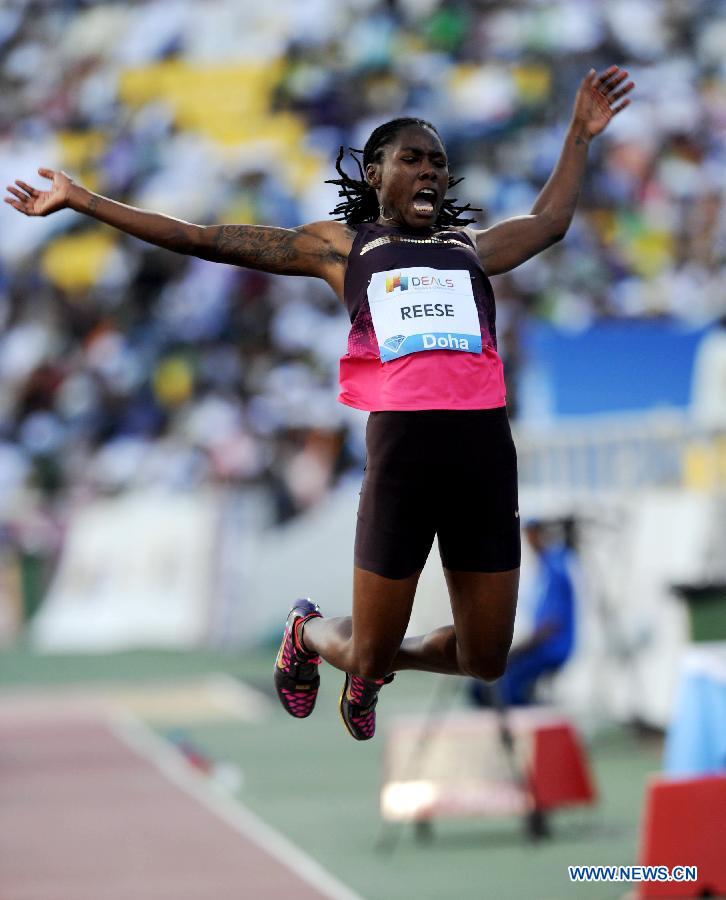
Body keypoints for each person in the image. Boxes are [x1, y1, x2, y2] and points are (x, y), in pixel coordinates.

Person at [5, 66, 634, 741]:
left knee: (482, 660)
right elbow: (201, 237)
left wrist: (578, 133)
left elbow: (549, 220)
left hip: (485, 459)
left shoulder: (469, 249)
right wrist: (84, 200)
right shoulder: (343, 248)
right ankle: (307, 635)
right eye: (412, 159)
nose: (429, 171)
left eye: (439, 163)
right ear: (374, 174)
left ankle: (371, 668)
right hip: (405, 457)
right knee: (365, 649)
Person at [469, 519, 577, 707]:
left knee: (502, 684)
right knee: (487, 681)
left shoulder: (555, 568)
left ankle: (525, 720)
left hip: (551, 649)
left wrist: (517, 650)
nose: (529, 541)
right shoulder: (546, 566)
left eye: (531, 535)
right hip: (544, 645)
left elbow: (551, 624)